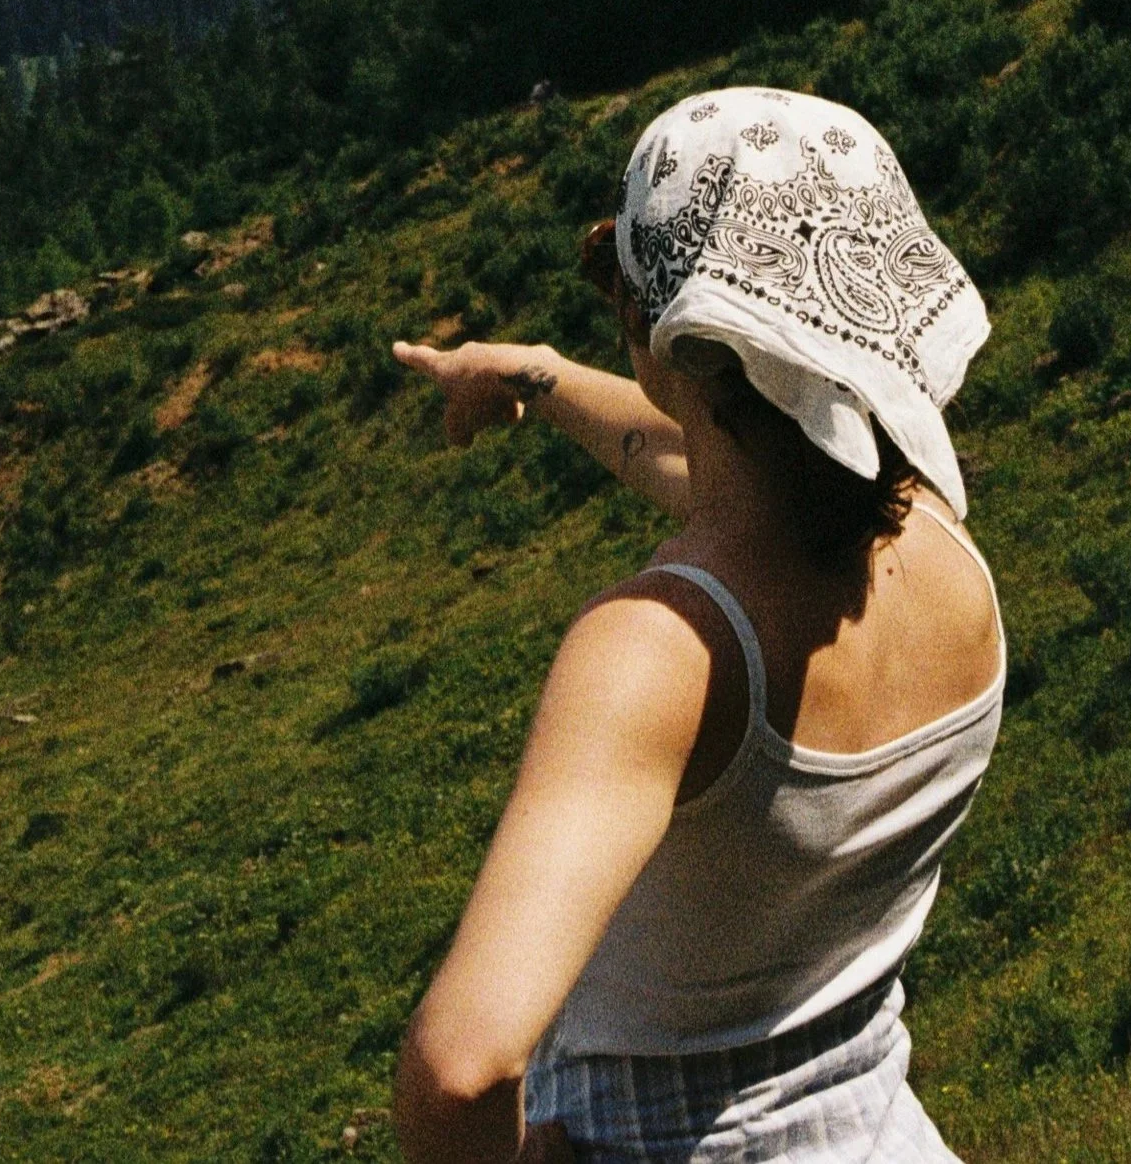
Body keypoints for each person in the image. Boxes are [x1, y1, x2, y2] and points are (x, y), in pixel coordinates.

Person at [389, 89, 1005, 1164]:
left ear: (651, 329)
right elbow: (717, 461)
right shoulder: (939, 548)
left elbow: (457, 1072)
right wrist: (532, 373)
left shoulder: (658, 651)